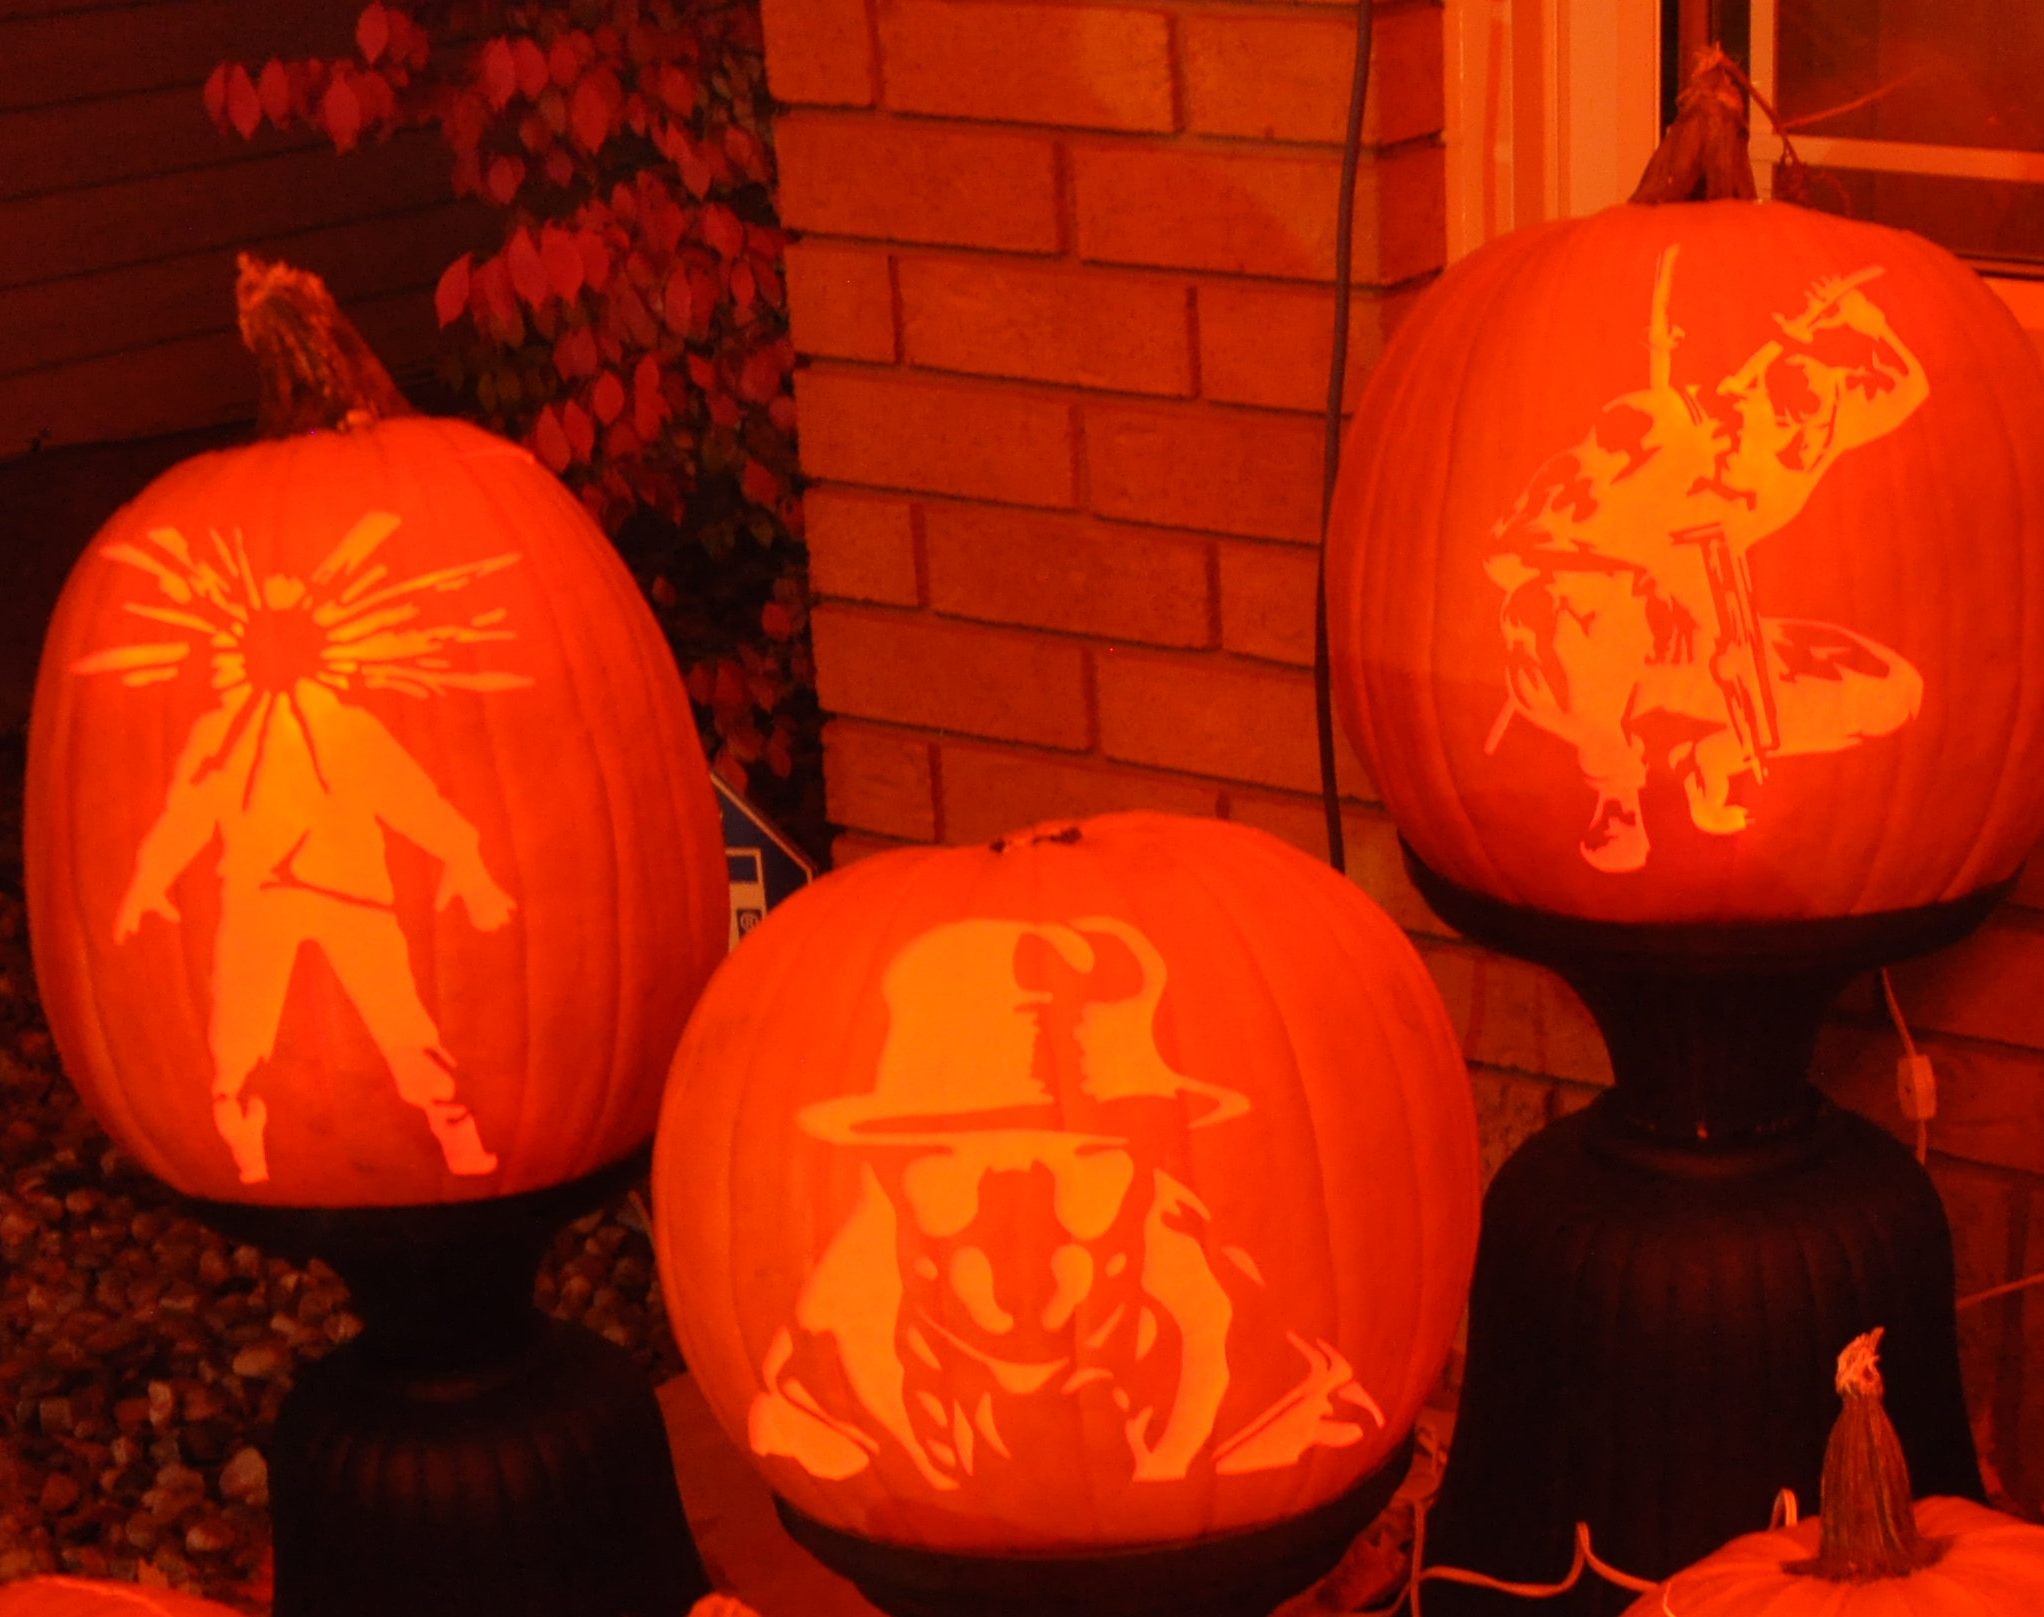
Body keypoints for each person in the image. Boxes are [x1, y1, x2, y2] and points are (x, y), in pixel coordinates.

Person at [744, 913, 1380, 1503]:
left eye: (1083, 1161)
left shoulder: (1285, 1407)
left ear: (1151, 1172)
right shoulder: (815, 1411)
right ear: (883, 1182)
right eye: (953, 1163)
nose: (1020, 1258)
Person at [83, 509, 526, 1187]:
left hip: (350, 892)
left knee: (402, 1025)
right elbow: (186, 817)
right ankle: (241, 1140)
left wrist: (466, 860)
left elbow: (413, 801)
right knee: (240, 1037)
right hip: (259, 897)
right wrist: (149, 879)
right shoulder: (219, 738)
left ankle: (451, 1124)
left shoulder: (350, 731)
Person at [1485, 246, 1933, 876]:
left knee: (1888, 695)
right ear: (1734, 412)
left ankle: (1712, 761)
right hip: (1593, 633)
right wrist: (1630, 575)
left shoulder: (1809, 438)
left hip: (1699, 630)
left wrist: (1869, 325)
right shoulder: (1642, 440)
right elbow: (1509, 551)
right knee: (1590, 640)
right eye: (1766, 427)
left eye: (1803, 439)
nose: (1787, 452)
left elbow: (1911, 386)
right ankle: (1617, 794)